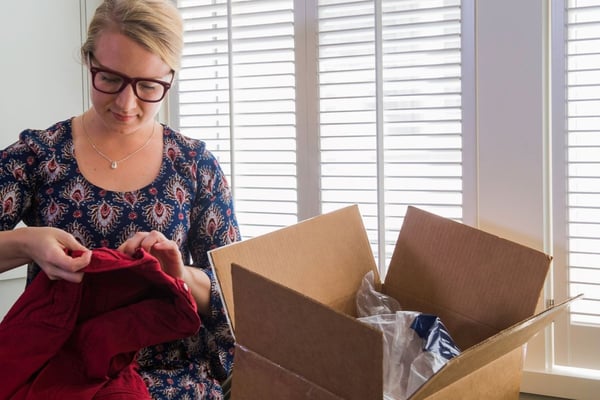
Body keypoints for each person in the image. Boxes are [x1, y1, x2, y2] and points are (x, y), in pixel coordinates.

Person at [0, 0, 241, 398]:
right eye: (109, 79)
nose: (126, 105)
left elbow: (236, 293)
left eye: (149, 86)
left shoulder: (194, 165)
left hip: (174, 379)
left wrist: (180, 276)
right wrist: (28, 243)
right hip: (63, 374)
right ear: (88, 59)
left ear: (171, 78)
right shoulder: (40, 156)